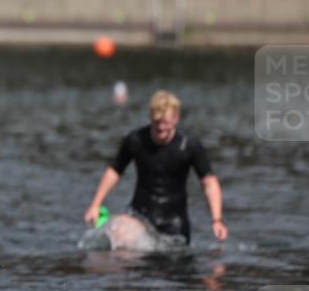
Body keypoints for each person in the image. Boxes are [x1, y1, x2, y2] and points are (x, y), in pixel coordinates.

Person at [84, 90, 228, 245]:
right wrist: (95, 205)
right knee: (118, 234)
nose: (161, 128)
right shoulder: (136, 140)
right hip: (140, 216)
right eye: (157, 122)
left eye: (165, 122)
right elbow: (114, 171)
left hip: (174, 223)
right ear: (150, 117)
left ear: (176, 118)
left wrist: (217, 219)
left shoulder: (189, 144)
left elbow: (209, 182)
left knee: (171, 262)